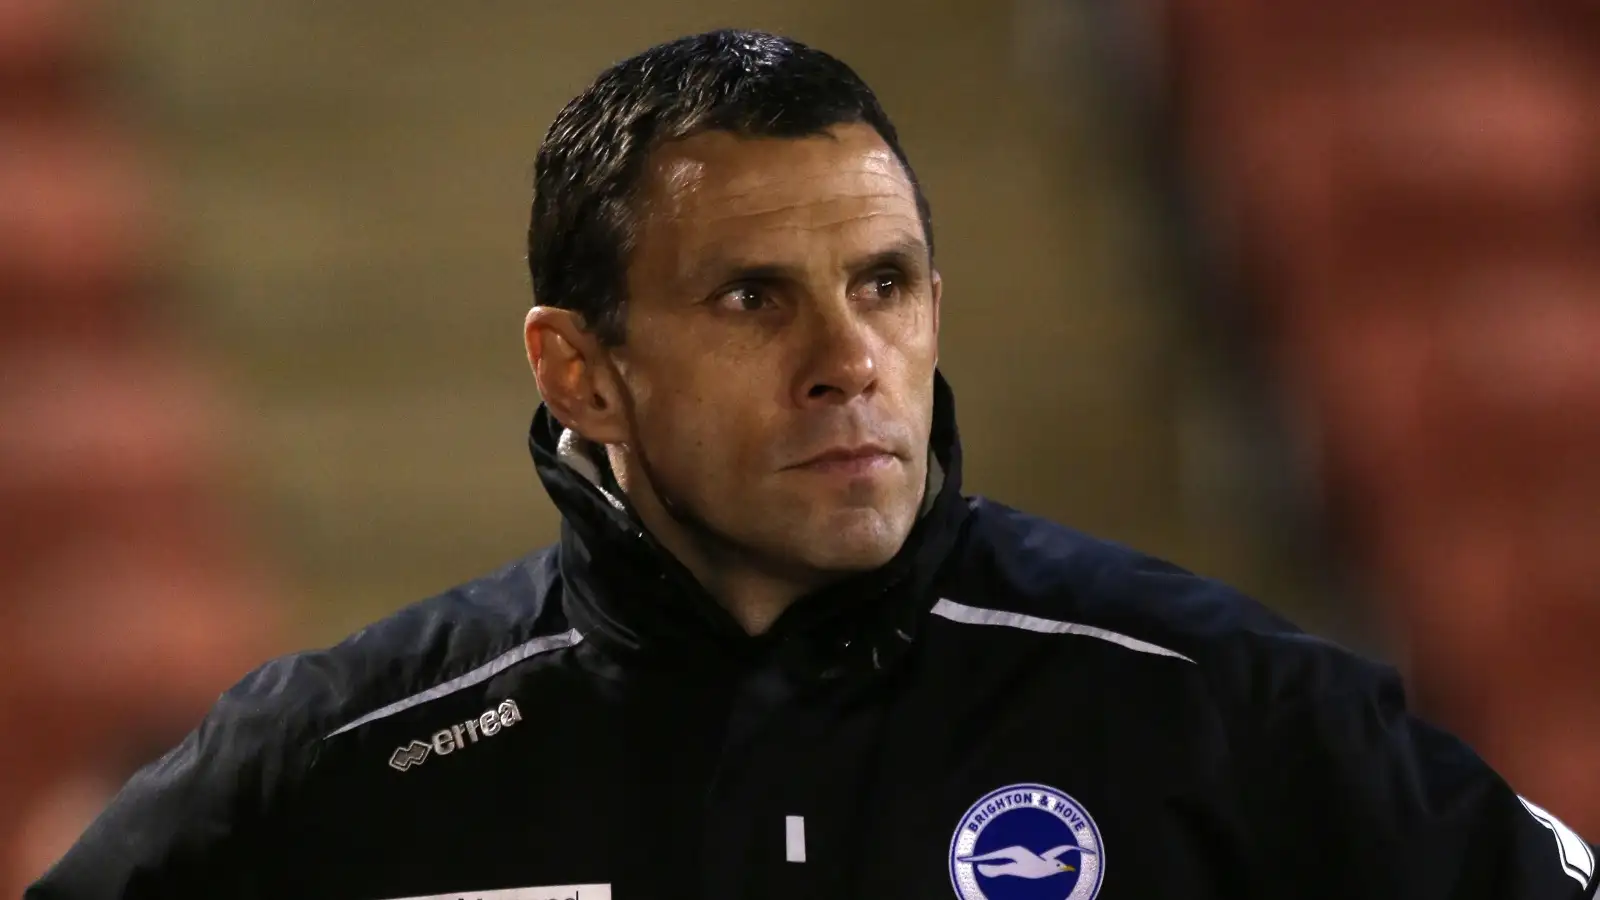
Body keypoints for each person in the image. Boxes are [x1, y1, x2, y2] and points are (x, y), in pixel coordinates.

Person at [29, 29, 1597, 900]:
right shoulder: (345, 763)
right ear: (583, 370)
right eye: (751, 298)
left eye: (888, 285)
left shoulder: (1214, 702)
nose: (849, 360)